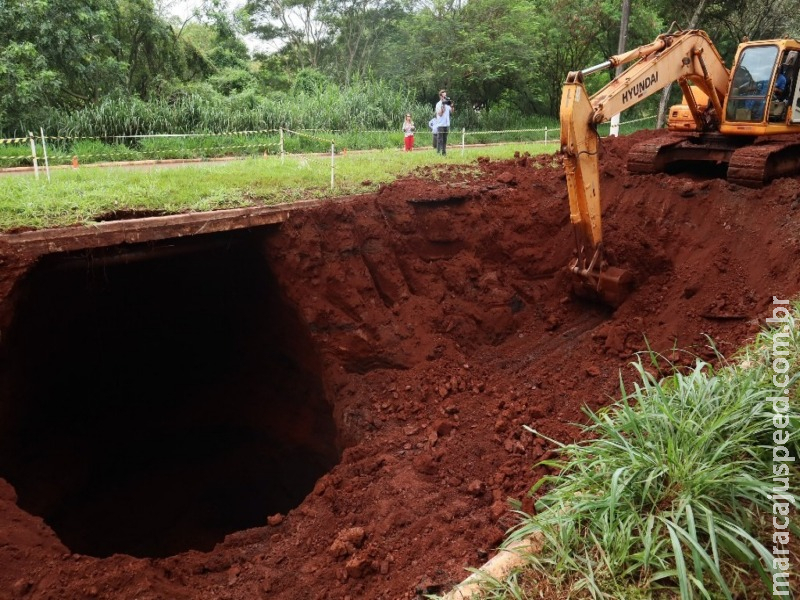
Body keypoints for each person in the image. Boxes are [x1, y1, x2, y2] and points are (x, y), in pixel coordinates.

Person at [434, 89, 454, 155]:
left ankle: (444, 152)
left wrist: (452, 105)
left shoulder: (447, 103)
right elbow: (440, 114)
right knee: (440, 139)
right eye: (443, 96)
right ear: (440, 96)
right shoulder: (438, 104)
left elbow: (452, 112)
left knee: (445, 139)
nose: (444, 97)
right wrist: (443, 108)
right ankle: (438, 152)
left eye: (445, 96)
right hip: (440, 124)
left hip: (446, 124)